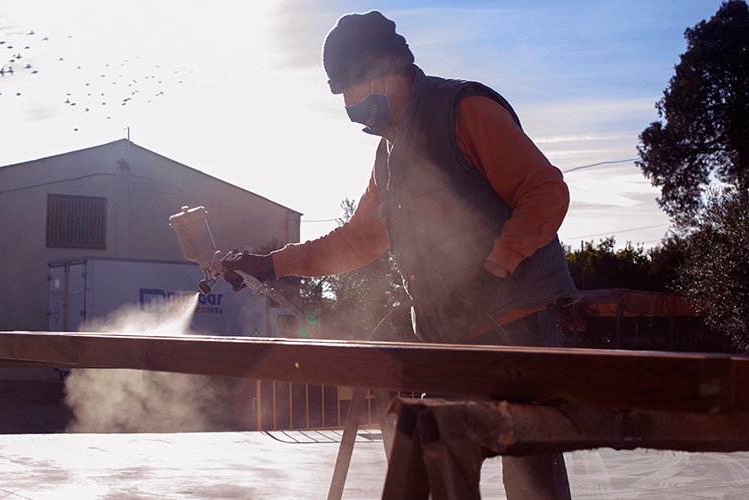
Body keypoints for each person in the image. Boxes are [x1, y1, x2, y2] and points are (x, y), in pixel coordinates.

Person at [221, 10, 578, 499]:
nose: (349, 104)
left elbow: (544, 191)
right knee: (432, 456)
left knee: (528, 472)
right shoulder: (388, 156)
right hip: (450, 340)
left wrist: (496, 266)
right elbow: (358, 240)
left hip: (518, 328)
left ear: (385, 69)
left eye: (352, 89)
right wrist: (272, 264)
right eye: (341, 94)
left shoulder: (464, 110)